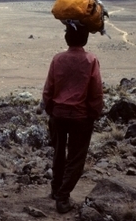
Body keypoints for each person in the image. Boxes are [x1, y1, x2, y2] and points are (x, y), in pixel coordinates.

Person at [41, 24, 104, 214]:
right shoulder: (90, 60)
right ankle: (63, 197)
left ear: (67, 39)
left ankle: (55, 189)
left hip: (58, 115)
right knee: (76, 158)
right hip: (81, 117)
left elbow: (48, 88)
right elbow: (96, 91)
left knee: (58, 153)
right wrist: (95, 113)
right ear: (84, 39)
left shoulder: (57, 59)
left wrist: (49, 108)